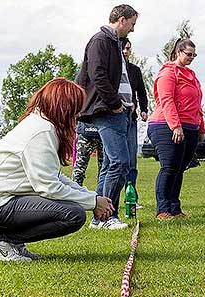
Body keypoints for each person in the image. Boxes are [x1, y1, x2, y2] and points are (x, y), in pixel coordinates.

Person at [0, 78, 114, 262]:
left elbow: (55, 178)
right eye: (75, 109)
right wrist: (92, 202)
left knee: (73, 209)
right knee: (73, 214)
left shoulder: (40, 124)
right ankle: (2, 242)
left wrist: (93, 197)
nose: (78, 116)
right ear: (64, 107)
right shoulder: (42, 131)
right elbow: (49, 187)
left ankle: (11, 244)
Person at [77, 4, 138, 230]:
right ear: (121, 20)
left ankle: (99, 217)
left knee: (111, 164)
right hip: (108, 112)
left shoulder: (114, 43)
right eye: (132, 24)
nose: (132, 29)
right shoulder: (100, 41)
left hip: (120, 112)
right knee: (120, 162)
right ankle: (105, 217)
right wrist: (114, 103)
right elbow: (97, 75)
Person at [147, 38, 205, 219]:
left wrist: (201, 127)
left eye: (194, 55)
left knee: (180, 168)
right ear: (178, 52)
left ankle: (175, 209)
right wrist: (175, 126)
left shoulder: (192, 75)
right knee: (170, 166)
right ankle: (163, 210)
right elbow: (166, 101)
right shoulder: (168, 73)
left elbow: (197, 104)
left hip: (190, 126)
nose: (191, 58)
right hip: (165, 125)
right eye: (188, 54)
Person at [121, 37, 148, 208]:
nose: (126, 51)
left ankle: (132, 196)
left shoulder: (135, 70)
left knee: (131, 160)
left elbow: (142, 93)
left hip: (131, 120)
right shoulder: (113, 69)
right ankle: (109, 196)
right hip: (114, 119)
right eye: (123, 48)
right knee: (114, 161)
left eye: (128, 49)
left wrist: (144, 109)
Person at [72, 121, 103, 186]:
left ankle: (102, 194)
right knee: (79, 168)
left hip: (101, 131)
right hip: (86, 131)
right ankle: (75, 192)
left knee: (104, 169)